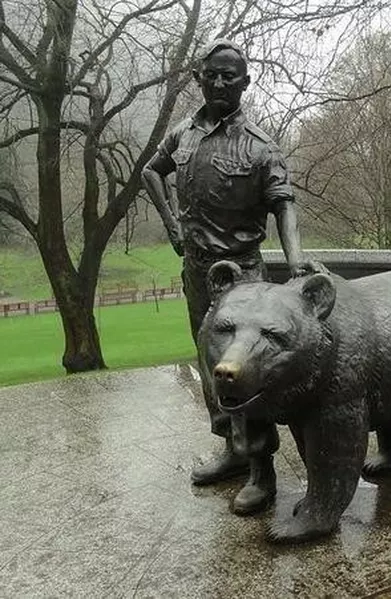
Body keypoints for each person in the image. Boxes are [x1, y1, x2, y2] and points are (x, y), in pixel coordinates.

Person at [141, 39, 305, 515]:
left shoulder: (259, 145)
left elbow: (283, 204)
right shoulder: (184, 135)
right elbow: (151, 171)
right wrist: (172, 226)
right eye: (211, 74)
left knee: (247, 370)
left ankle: (262, 472)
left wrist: (296, 264)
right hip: (197, 272)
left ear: (245, 82)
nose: (219, 83)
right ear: (199, 77)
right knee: (211, 364)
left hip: (243, 276)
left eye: (229, 76)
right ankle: (232, 449)